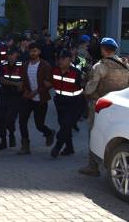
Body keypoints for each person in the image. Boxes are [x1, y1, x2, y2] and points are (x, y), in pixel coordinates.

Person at [79, 37, 129, 176]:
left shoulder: (100, 66)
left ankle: (93, 166)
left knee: (94, 132)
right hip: (120, 105)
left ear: (102, 49)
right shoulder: (125, 66)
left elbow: (90, 89)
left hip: (101, 105)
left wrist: (85, 92)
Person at [17, 42, 56, 155]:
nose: (33, 53)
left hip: (40, 100)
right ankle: (25, 145)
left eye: (35, 51)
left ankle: (49, 133)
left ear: (39, 52)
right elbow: (23, 81)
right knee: (22, 121)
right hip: (27, 99)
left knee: (39, 125)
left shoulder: (45, 65)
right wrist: (25, 91)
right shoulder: (25, 65)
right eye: (31, 51)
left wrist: (36, 92)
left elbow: (49, 83)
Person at [50, 50, 85, 159]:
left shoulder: (76, 73)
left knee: (65, 126)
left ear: (70, 60)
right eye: (60, 58)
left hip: (74, 104)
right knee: (64, 125)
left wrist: (85, 110)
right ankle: (69, 148)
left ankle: (57, 146)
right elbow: (50, 82)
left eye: (64, 59)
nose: (61, 61)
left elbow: (85, 88)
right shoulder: (55, 70)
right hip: (60, 103)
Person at [0, 47, 23, 150]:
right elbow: (1, 80)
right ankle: (3, 141)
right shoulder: (3, 66)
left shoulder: (21, 65)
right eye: (9, 55)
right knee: (0, 118)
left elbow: (24, 80)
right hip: (4, 94)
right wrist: (16, 84)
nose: (11, 57)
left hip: (16, 96)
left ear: (17, 55)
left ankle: (11, 134)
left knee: (10, 119)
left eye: (13, 54)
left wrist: (20, 85)